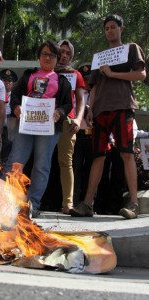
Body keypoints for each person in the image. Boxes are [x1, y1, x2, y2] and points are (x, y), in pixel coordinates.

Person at [69, 14, 146, 219]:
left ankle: (133, 203)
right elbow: (92, 87)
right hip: (101, 111)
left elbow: (141, 75)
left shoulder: (131, 48)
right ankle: (86, 204)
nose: (110, 31)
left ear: (121, 28)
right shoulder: (99, 57)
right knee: (98, 156)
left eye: (113, 27)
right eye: (107, 28)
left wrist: (113, 74)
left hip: (122, 106)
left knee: (126, 153)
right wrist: (91, 109)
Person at [4, 40, 72, 217]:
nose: (48, 57)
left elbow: (68, 104)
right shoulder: (28, 75)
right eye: (44, 54)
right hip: (26, 124)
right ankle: (7, 201)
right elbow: (15, 96)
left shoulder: (62, 81)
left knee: (42, 165)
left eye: (52, 55)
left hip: (49, 128)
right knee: (16, 161)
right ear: (39, 57)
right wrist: (17, 107)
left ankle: (33, 204)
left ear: (57, 59)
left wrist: (60, 112)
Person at [55, 40, 85, 214]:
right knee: (40, 161)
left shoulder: (75, 74)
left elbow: (81, 100)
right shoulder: (45, 71)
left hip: (68, 122)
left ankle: (68, 204)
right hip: (45, 121)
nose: (64, 56)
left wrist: (78, 119)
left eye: (68, 53)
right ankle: (33, 202)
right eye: (61, 52)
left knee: (66, 162)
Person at [73, 64, 93, 206]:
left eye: (90, 80)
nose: (87, 82)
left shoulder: (99, 95)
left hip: (93, 136)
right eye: (84, 80)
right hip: (78, 135)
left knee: (91, 171)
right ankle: (74, 200)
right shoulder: (75, 95)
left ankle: (88, 202)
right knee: (75, 169)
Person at [0, 69, 18, 165]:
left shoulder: (16, 98)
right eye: (4, 80)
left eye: (9, 81)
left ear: (13, 83)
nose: (6, 82)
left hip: (9, 130)